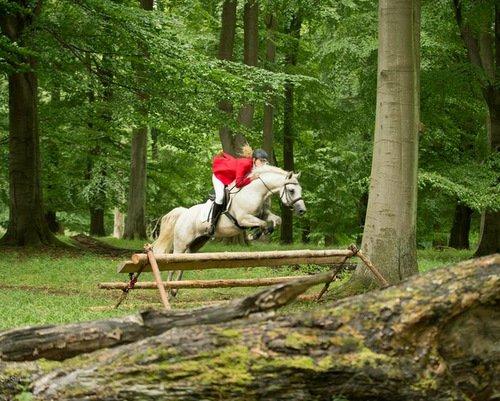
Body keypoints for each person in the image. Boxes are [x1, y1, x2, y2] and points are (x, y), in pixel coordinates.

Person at [209, 145, 269, 235]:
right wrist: (252, 178)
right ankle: (212, 224)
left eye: (264, 161)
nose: (263, 163)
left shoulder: (254, 166)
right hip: (220, 176)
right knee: (220, 197)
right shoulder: (245, 164)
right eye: (261, 161)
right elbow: (238, 184)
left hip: (230, 177)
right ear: (254, 160)